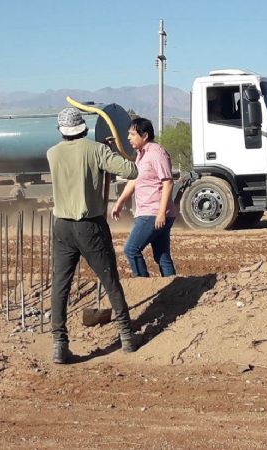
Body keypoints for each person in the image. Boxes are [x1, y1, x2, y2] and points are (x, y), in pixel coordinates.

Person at [47, 107, 140, 364]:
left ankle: (59, 344)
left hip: (62, 226)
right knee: (110, 279)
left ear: (61, 131)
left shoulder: (52, 154)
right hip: (90, 226)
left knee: (60, 285)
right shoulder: (96, 150)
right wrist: (110, 150)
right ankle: (126, 336)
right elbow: (132, 171)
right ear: (83, 128)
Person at [112, 118, 178, 277]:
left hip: (153, 213)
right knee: (161, 255)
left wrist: (161, 213)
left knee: (131, 249)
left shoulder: (156, 153)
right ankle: (175, 288)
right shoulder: (141, 154)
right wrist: (120, 202)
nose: (129, 138)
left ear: (145, 136)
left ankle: (143, 282)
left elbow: (168, 182)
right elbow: (134, 179)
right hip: (151, 212)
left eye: (132, 134)